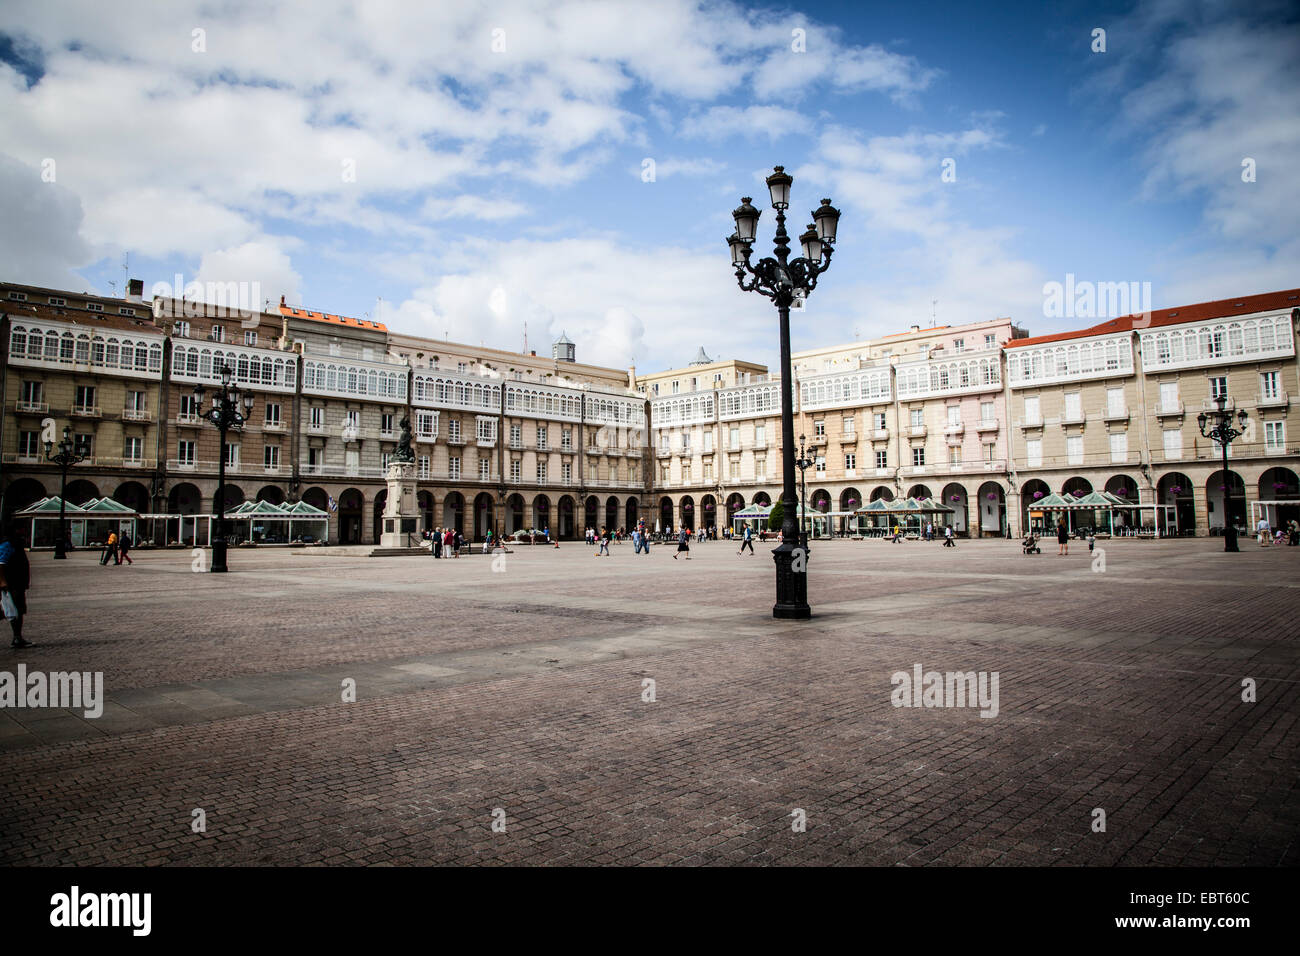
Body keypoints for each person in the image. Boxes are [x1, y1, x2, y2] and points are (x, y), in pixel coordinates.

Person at [0, 522, 33, 648]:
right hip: (12, 583)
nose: (24, 531)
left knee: (16, 609)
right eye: (22, 529)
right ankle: (17, 637)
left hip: (17, 582)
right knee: (14, 609)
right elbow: (1, 563)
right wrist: (2, 581)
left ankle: (18, 636)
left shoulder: (14, 543)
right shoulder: (8, 543)